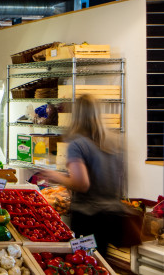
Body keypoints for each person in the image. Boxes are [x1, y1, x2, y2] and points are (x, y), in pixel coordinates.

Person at [39, 95, 127, 256]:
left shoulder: (78, 144)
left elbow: (81, 183)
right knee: (100, 264)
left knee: (83, 262)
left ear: (76, 115)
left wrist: (55, 176)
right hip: (110, 216)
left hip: (88, 218)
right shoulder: (113, 143)